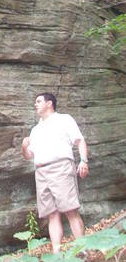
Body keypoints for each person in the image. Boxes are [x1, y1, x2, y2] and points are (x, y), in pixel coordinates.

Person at [21, 92, 89, 253]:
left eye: (38, 101)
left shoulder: (64, 119)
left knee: (70, 210)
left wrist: (84, 161)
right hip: (41, 172)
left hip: (61, 167)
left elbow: (80, 140)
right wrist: (24, 146)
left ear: (49, 103)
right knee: (52, 214)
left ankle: (83, 251)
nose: (35, 104)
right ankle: (57, 255)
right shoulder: (35, 130)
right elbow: (29, 156)